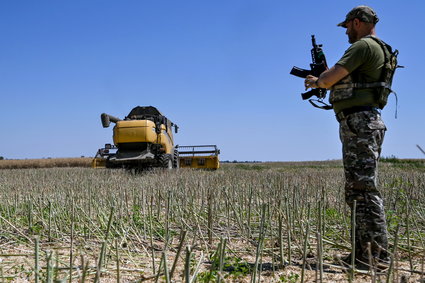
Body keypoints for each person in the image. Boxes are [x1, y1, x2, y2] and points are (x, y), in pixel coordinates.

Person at [304, 6, 397, 269]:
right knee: (357, 191)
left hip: (360, 123)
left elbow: (329, 79)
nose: (345, 31)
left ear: (357, 22)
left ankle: (375, 258)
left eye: (347, 26)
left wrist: (316, 80)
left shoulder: (363, 47)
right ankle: (362, 254)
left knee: (363, 191)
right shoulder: (380, 47)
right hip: (364, 121)